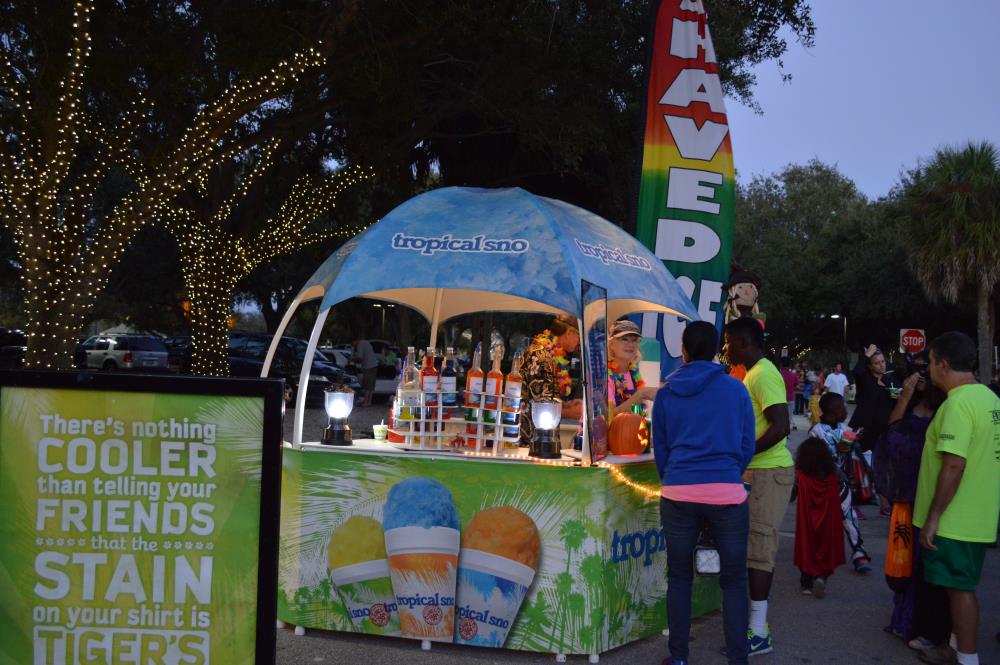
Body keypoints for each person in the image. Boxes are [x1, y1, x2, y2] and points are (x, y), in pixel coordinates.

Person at [653, 321, 755, 665]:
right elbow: (746, 446)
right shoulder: (737, 390)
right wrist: (728, 475)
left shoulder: (666, 393)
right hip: (727, 494)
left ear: (684, 350)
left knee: (679, 577)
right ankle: (738, 658)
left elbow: (662, 450)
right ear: (716, 351)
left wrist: (676, 480)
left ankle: (678, 658)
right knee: (734, 581)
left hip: (678, 493)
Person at [912, 332, 1000, 665]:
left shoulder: (958, 404)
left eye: (930, 362)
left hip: (955, 520)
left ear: (943, 364)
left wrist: (934, 516)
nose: (928, 370)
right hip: (976, 516)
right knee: (958, 588)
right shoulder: (990, 399)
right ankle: (952, 647)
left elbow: (953, 464)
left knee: (960, 590)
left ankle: (967, 658)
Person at [722, 317, 792, 657]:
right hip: (755, 472)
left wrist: (744, 454)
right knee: (751, 549)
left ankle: (759, 632)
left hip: (769, 472)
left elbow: (781, 426)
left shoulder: (764, 374)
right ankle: (750, 625)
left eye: (730, 342)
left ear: (745, 342)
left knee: (761, 550)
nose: (726, 348)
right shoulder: (751, 374)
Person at [879, 351, 950, 650]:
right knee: (903, 562)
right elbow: (891, 434)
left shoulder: (947, 406)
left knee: (927, 568)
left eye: (925, 369)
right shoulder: (908, 404)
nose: (919, 375)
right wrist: (905, 396)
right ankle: (904, 619)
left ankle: (929, 629)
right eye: (914, 370)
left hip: (933, 495)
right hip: (906, 495)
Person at [807, 392, 873, 573]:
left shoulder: (844, 428)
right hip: (821, 485)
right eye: (843, 407)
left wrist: (865, 466)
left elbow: (853, 451)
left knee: (849, 517)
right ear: (832, 411)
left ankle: (859, 552)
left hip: (841, 485)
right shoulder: (816, 432)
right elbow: (814, 459)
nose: (845, 410)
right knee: (820, 523)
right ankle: (818, 557)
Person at [793, 437, 846, 598]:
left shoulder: (800, 475)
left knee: (806, 546)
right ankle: (821, 576)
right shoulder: (833, 472)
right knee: (826, 545)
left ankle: (806, 583)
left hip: (807, 519)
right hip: (828, 517)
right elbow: (843, 483)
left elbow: (791, 493)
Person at [519, 314, 583, 446]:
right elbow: (540, 405)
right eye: (580, 337)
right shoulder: (541, 356)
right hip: (530, 440)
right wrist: (571, 412)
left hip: (540, 438)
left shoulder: (548, 353)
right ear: (569, 332)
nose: (580, 343)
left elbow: (541, 397)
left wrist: (566, 405)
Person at [607, 319, 658, 418]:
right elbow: (608, 417)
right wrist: (640, 395)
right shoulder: (605, 375)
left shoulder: (634, 374)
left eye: (634, 340)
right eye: (624, 339)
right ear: (612, 344)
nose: (631, 345)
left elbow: (639, 415)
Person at [352, 336, 379, 407]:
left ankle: (366, 402)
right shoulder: (366, 342)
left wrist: (352, 359)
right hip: (374, 365)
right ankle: (369, 401)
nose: (353, 345)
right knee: (371, 385)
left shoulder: (360, 344)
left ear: (355, 341)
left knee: (367, 385)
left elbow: (360, 357)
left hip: (368, 366)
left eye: (353, 343)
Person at [780, 358, 798, 430]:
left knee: (780, 416)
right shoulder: (793, 375)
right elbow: (796, 385)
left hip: (780, 398)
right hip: (790, 398)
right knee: (789, 417)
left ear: (781, 365)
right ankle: (786, 432)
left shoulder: (778, 373)